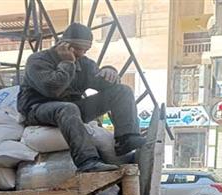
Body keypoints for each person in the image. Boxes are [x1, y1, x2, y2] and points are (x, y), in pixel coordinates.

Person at [18, 23, 146, 173]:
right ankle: (87, 161)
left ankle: (126, 139)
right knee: (68, 108)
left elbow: (102, 83)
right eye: (78, 48)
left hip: (72, 110)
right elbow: (52, 89)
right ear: (64, 44)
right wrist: (67, 63)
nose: (81, 53)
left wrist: (109, 72)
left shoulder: (84, 63)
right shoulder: (38, 60)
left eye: (85, 50)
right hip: (38, 109)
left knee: (122, 91)